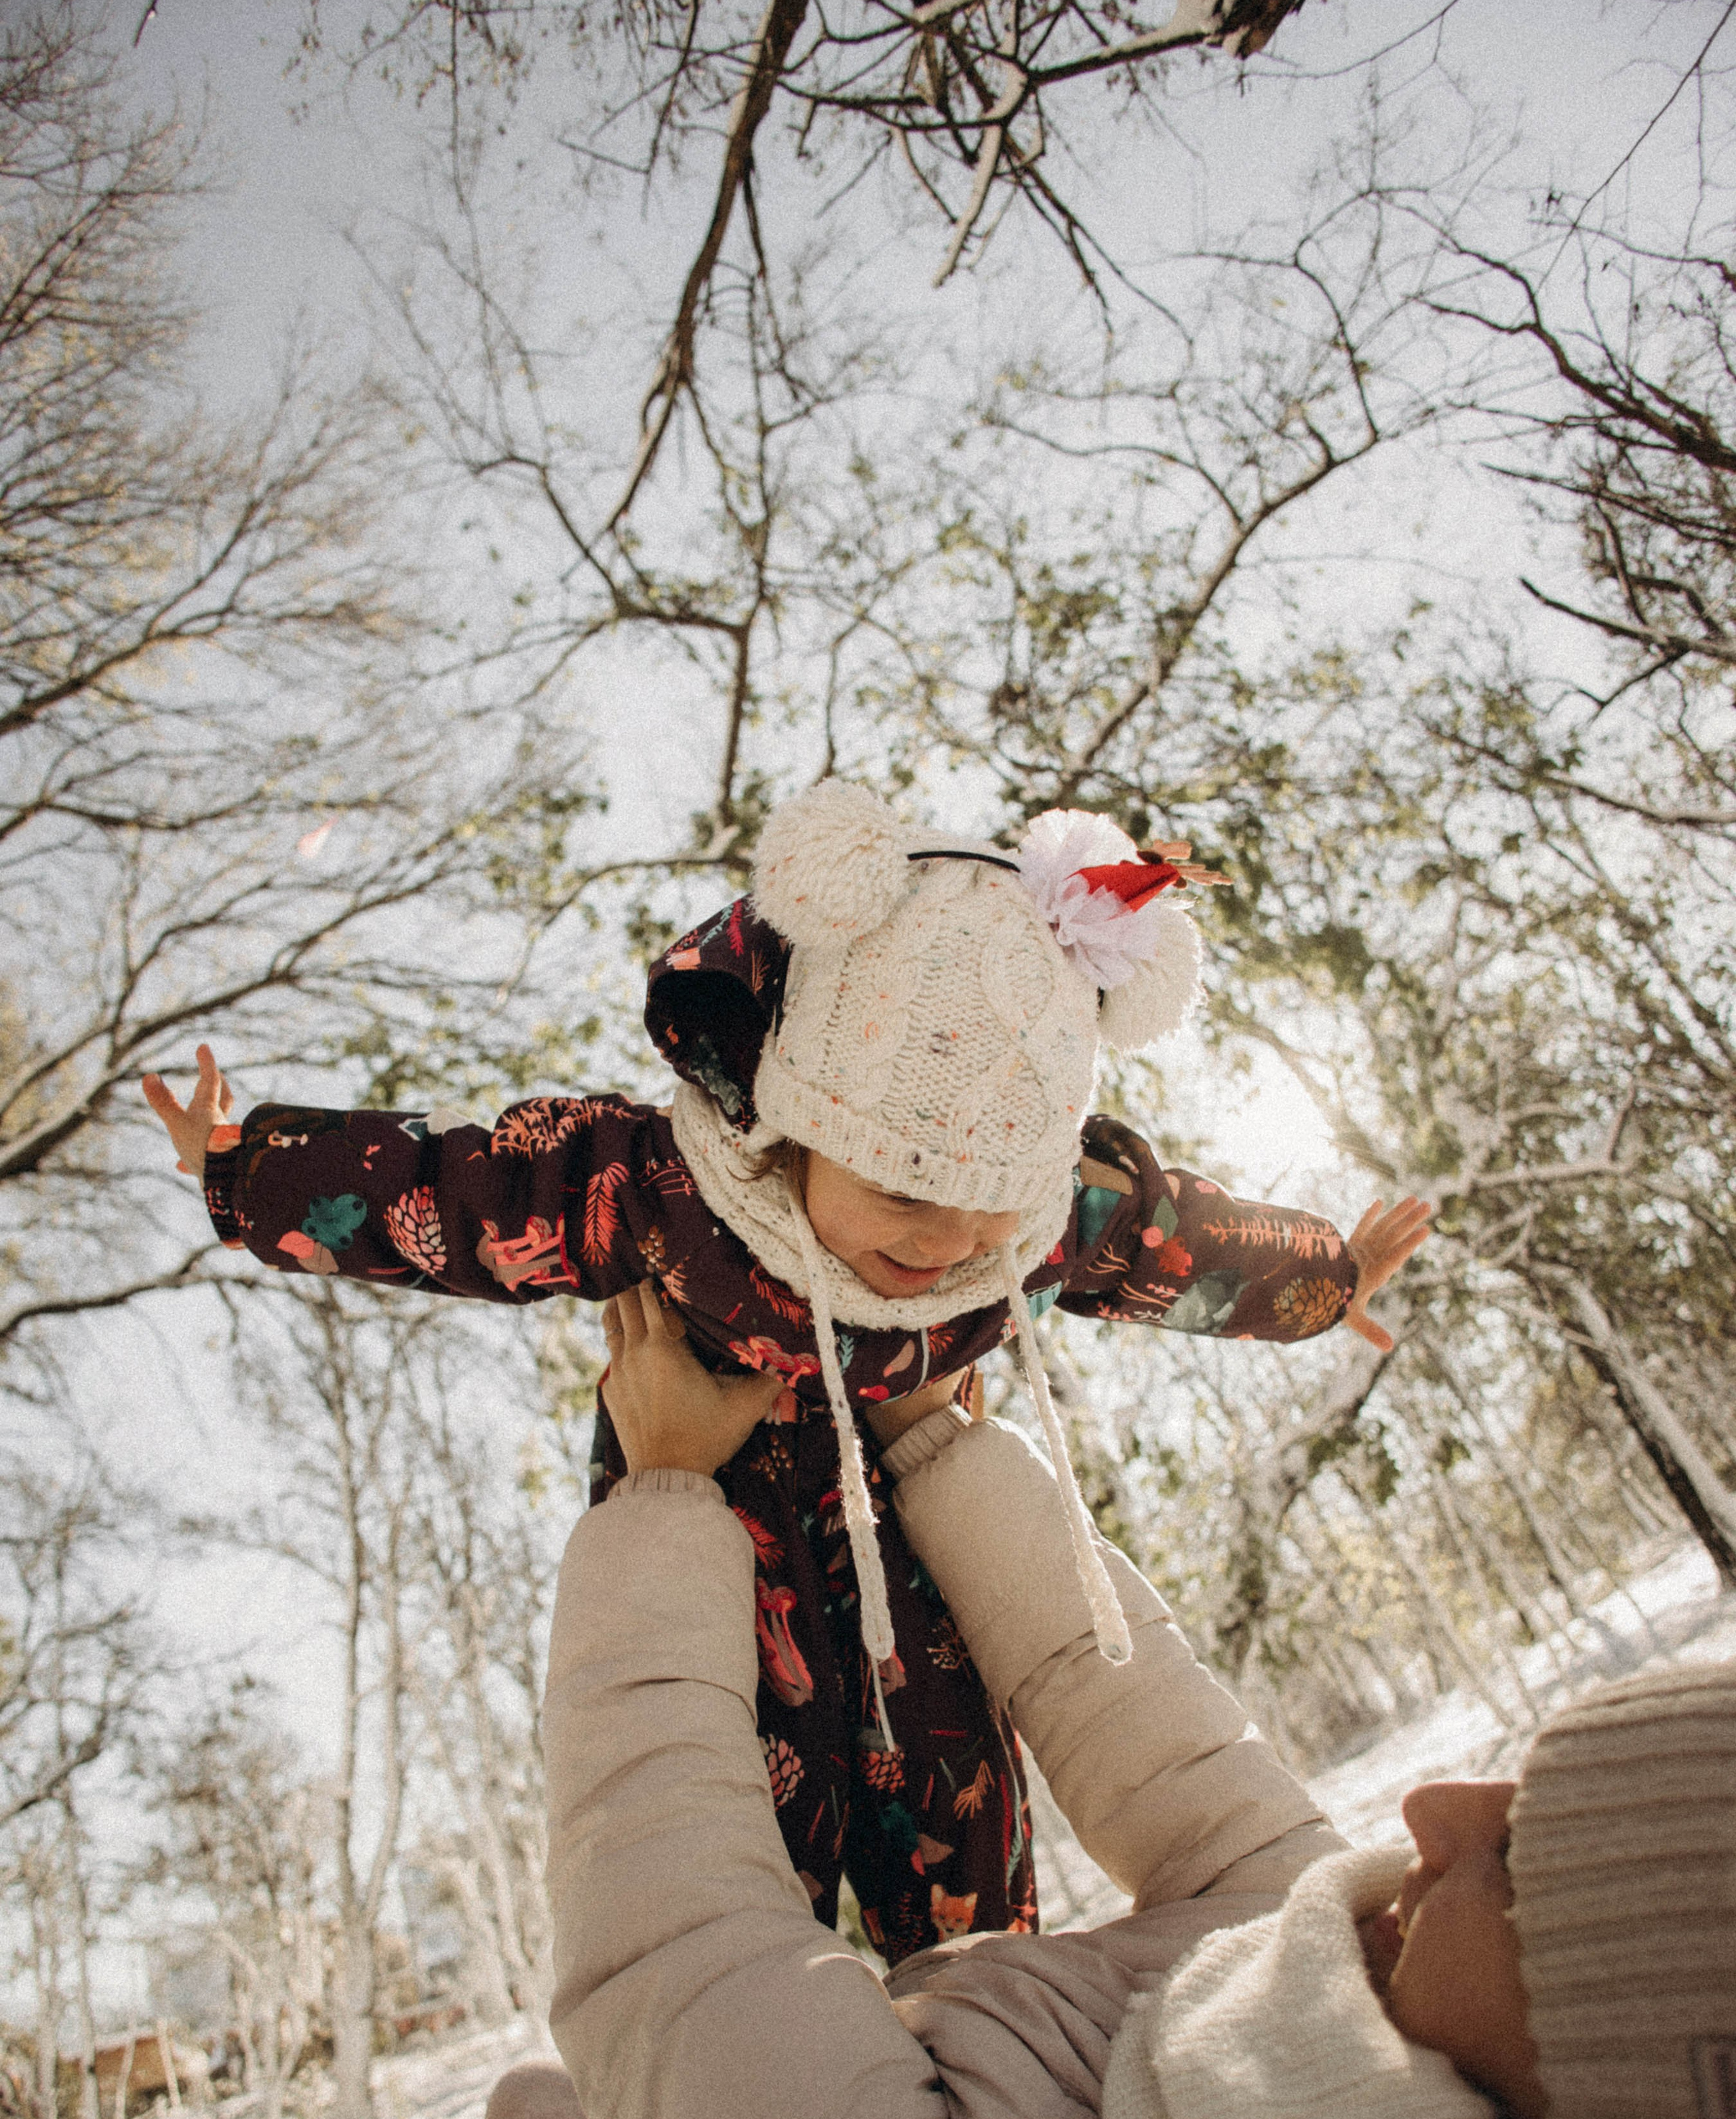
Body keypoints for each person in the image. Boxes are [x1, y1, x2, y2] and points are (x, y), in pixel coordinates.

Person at [307, 1286, 1735, 2119]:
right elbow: (1151, 1731)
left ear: (1608, 2105)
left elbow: (674, 1944)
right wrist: (939, 1438)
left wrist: (668, 1487)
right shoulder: (1379, 1972)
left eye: (1529, 1862)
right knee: (535, 2115)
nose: (1436, 1809)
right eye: (1523, 1789)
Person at [144, 783, 1429, 1966]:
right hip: (721, 1550)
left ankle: (982, 2030)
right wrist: (249, 1168)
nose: (947, 1243)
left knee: (965, 1860)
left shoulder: (1042, 1229)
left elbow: (1178, 1242)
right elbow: (465, 1190)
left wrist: (1324, 1279)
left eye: (991, 1203)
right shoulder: (663, 1190)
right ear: (799, 1122)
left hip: (923, 1568)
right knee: (752, 1861)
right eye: (904, 1191)